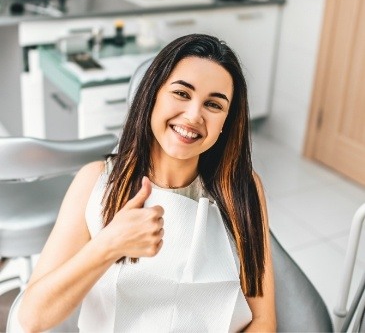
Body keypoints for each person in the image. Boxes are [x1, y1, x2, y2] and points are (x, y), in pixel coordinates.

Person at [18, 33, 276, 332]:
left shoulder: (242, 188)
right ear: (152, 95)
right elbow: (32, 317)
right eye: (181, 93)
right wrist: (108, 245)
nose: (193, 115)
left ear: (225, 124)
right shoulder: (96, 182)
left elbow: (263, 320)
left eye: (213, 105)